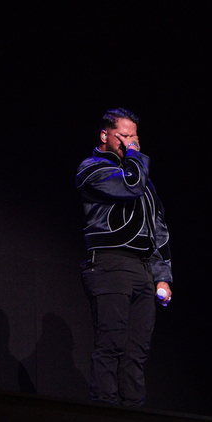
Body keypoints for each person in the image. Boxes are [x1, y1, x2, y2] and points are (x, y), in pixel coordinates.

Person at [76, 107, 173, 406]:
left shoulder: (142, 178)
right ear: (105, 135)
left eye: (135, 137)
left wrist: (163, 277)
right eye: (124, 136)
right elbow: (129, 187)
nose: (131, 143)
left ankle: (134, 413)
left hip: (142, 269)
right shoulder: (92, 168)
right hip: (110, 264)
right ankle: (104, 410)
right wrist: (135, 157)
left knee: (137, 350)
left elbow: (158, 226)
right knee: (111, 342)